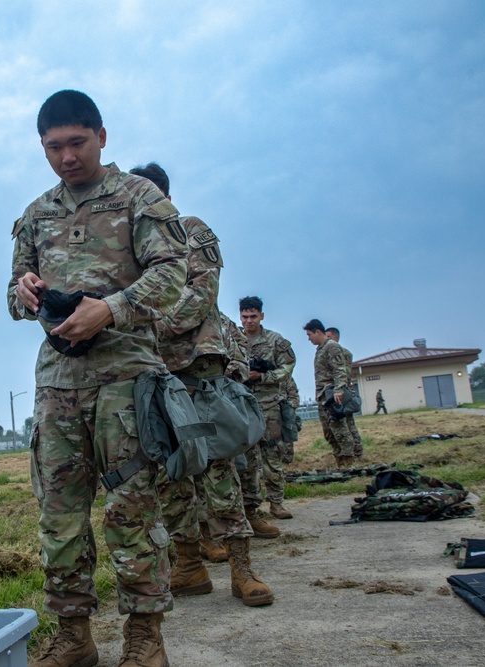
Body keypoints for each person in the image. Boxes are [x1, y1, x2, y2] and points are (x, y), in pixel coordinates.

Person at [9, 91, 188, 667]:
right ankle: (74, 634)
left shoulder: (140, 197)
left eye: (76, 143)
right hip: (57, 383)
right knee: (58, 513)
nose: (66, 157)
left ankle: (143, 634)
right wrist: (23, 293)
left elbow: (173, 276)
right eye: (53, 147)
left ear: (102, 137)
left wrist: (109, 309)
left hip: (124, 382)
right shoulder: (37, 213)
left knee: (131, 508)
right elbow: (14, 295)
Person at [131, 163, 273, 608]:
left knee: (216, 467)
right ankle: (189, 565)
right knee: (172, 472)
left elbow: (200, 294)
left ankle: (241, 568)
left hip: (196, 371)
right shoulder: (129, 244)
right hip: (155, 373)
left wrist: (147, 326)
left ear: (165, 194)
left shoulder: (191, 230)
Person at [238, 296, 297, 525]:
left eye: (253, 316)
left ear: (261, 315)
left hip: (270, 405)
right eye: (245, 316)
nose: (249, 321)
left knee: (272, 455)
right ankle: (250, 506)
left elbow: (288, 368)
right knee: (246, 458)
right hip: (243, 407)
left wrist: (264, 376)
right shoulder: (234, 340)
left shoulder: (275, 341)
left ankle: (276, 502)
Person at [303, 319, 358, 468]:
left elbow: (339, 370)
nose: (309, 338)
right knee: (329, 431)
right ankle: (339, 460)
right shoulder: (321, 348)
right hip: (324, 395)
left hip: (333, 395)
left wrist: (338, 390)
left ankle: (348, 462)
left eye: (309, 335)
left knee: (339, 429)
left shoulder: (332, 347)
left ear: (318, 332)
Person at [325, 327, 363, 458]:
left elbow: (343, 374)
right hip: (335, 391)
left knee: (348, 423)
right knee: (342, 423)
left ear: (336, 337)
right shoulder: (328, 351)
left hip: (342, 391)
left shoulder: (343, 352)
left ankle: (357, 451)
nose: (327, 339)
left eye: (329, 336)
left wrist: (338, 390)